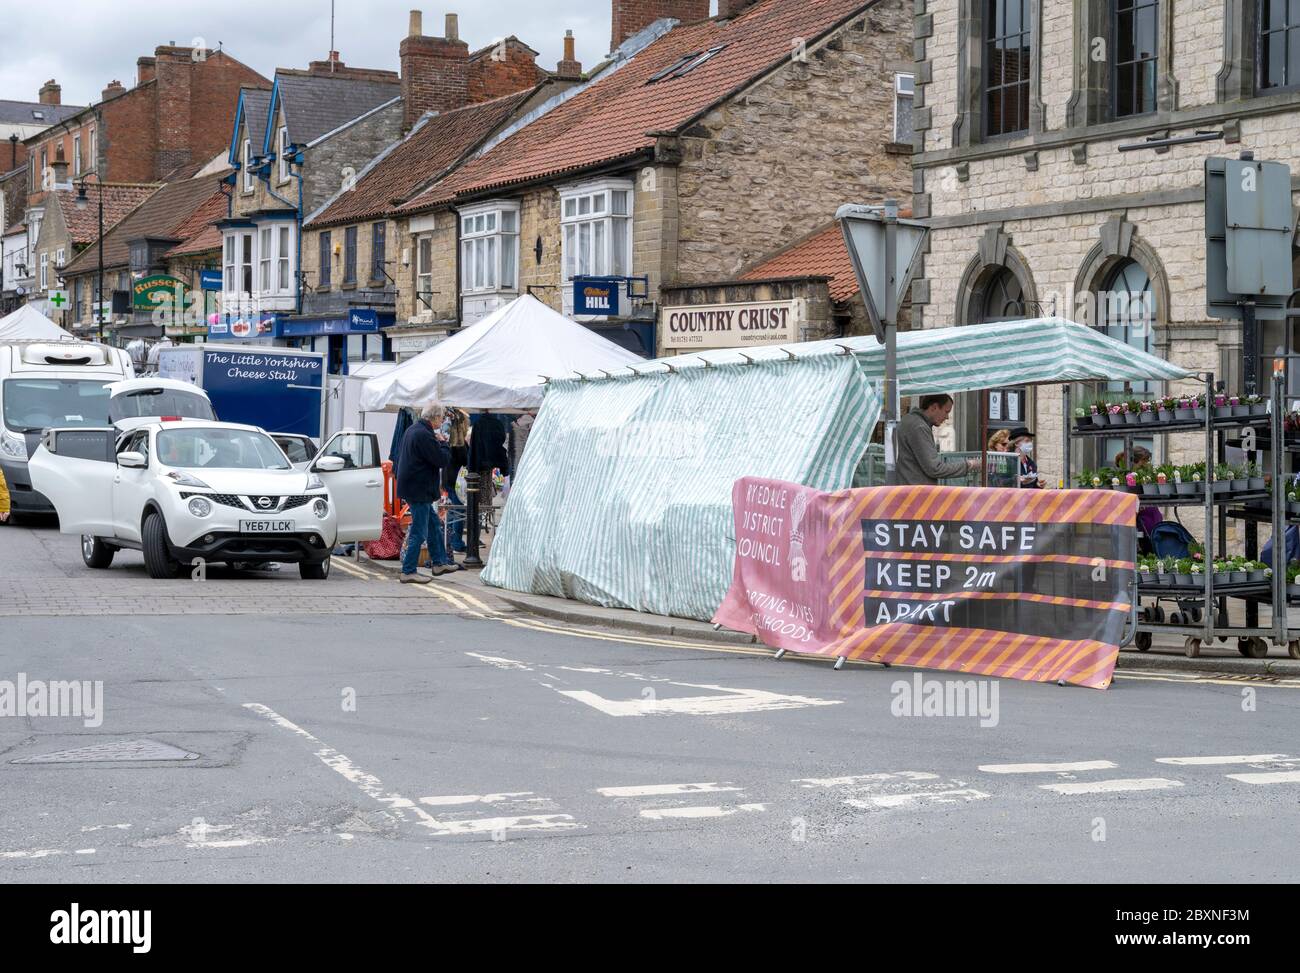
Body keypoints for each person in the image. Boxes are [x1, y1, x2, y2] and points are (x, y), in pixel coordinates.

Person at [396, 401, 457, 583]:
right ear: (435, 417)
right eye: (441, 417)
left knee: (433, 525)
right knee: (419, 531)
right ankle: (408, 571)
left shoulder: (414, 430)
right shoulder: (424, 435)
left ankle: (439, 563)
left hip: (414, 487)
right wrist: (444, 443)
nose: (442, 421)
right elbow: (441, 460)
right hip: (419, 489)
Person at [895, 394, 980, 486]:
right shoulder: (919, 427)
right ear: (934, 407)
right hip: (917, 493)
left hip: (910, 489)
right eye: (946, 412)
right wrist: (968, 465)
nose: (947, 417)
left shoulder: (910, 421)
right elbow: (935, 468)